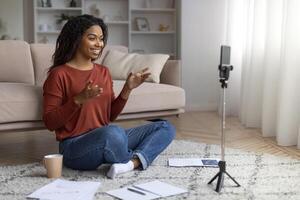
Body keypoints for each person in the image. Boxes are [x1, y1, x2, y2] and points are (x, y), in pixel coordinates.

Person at [42, 15, 176, 179]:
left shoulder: (103, 72)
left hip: (105, 135)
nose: (99, 44)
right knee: (114, 133)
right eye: (92, 38)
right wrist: (78, 100)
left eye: (101, 39)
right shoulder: (58, 74)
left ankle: (131, 163)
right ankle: (133, 157)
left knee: (165, 127)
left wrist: (127, 88)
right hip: (74, 147)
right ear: (76, 39)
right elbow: (49, 122)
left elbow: (109, 116)